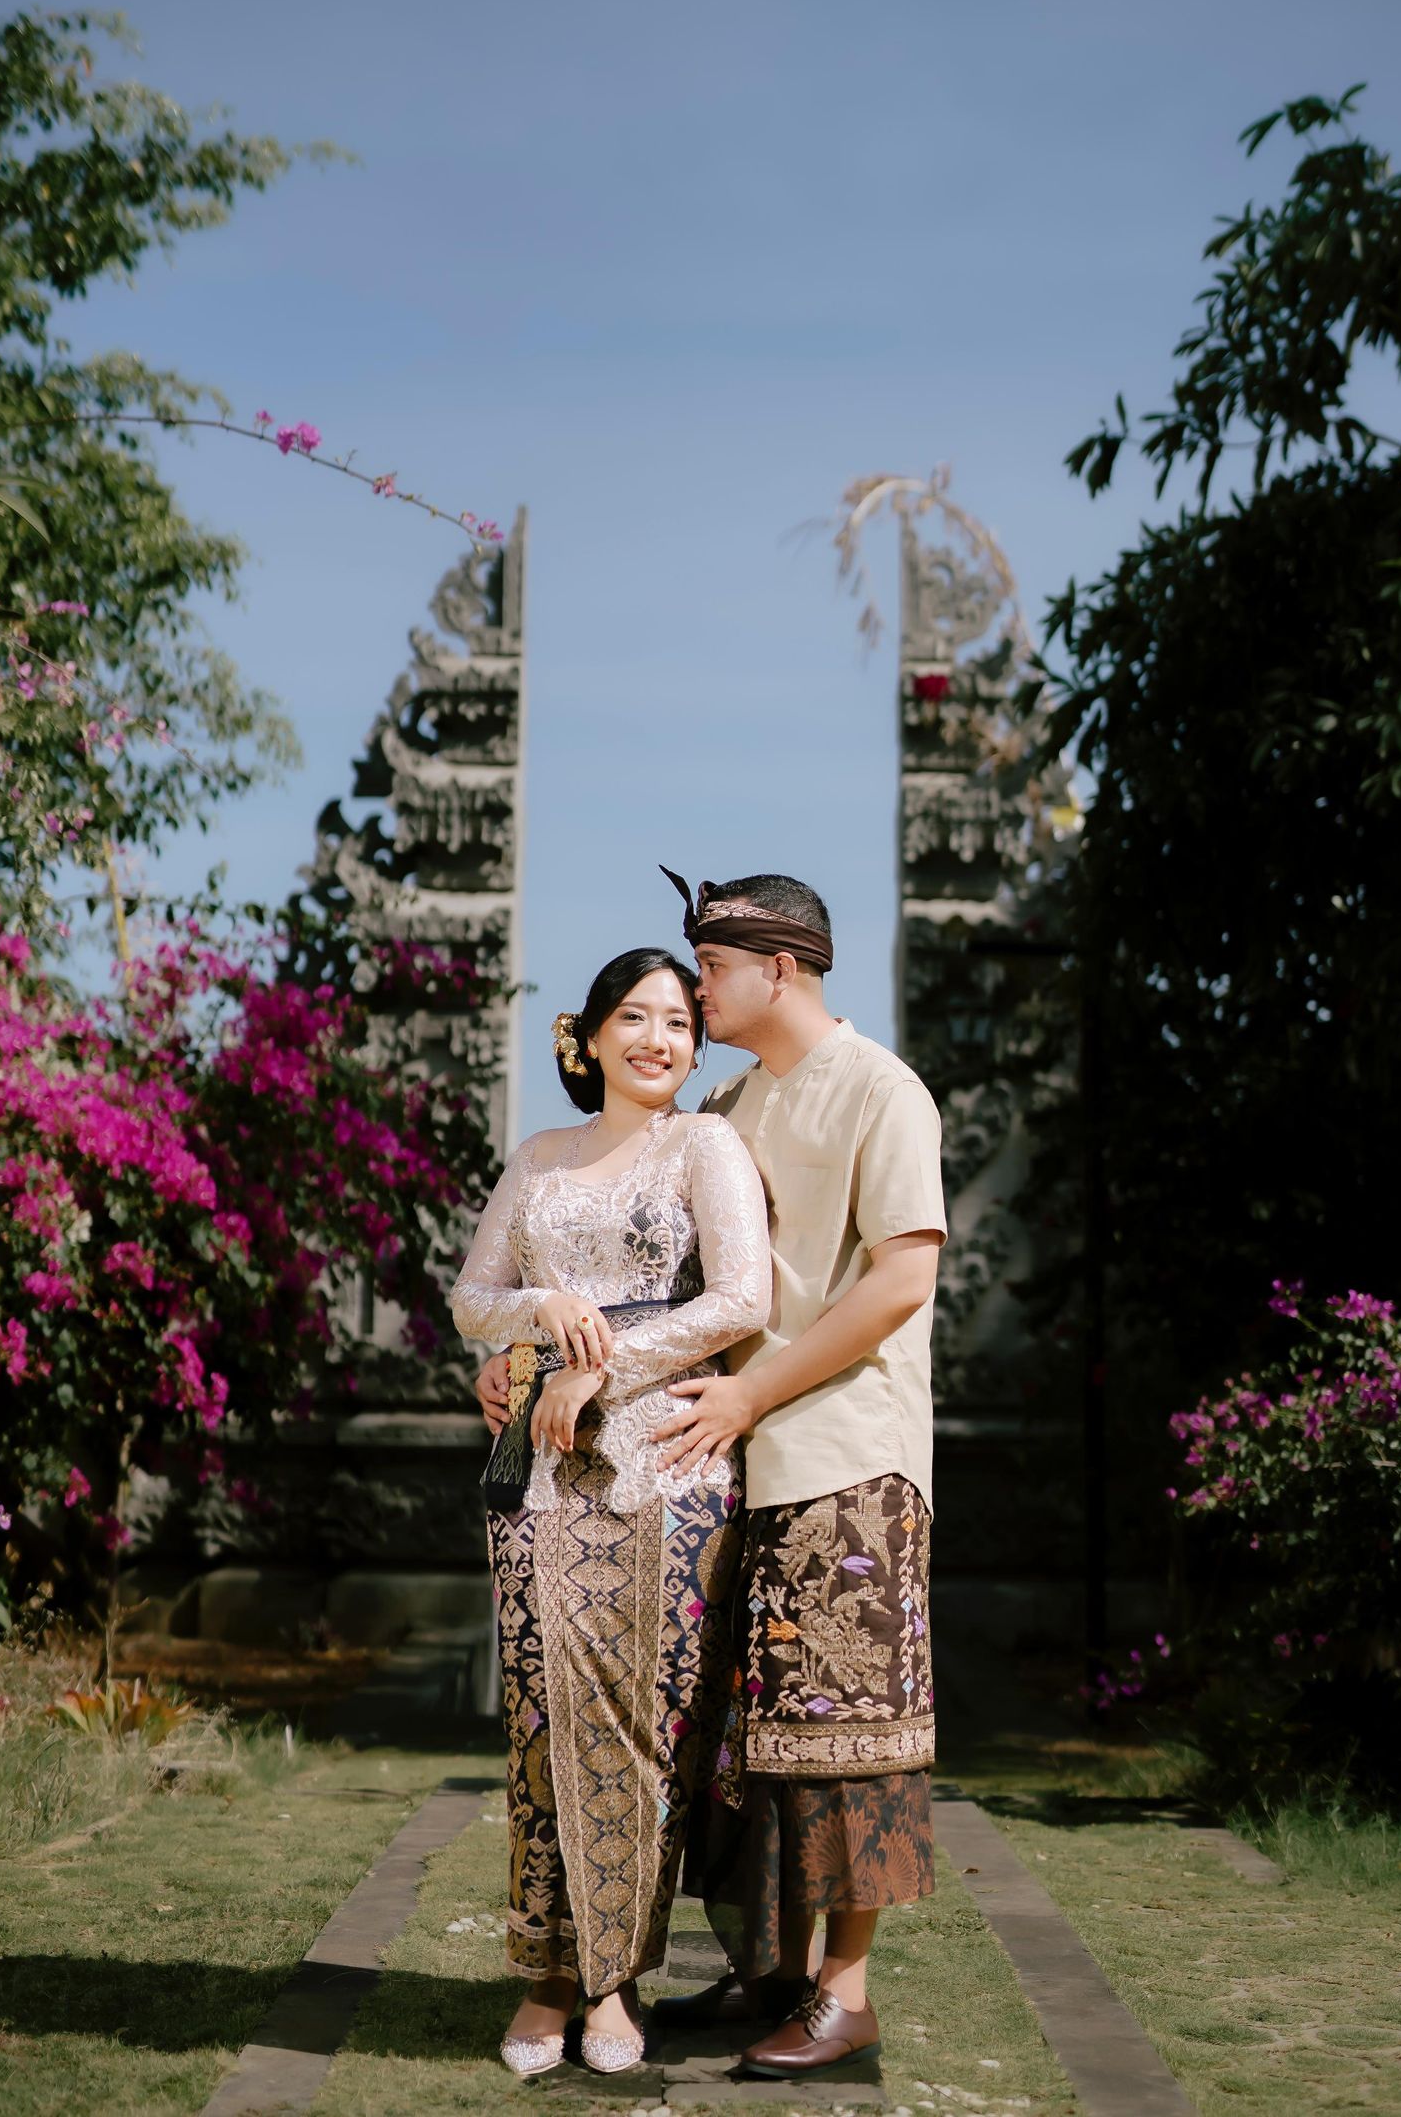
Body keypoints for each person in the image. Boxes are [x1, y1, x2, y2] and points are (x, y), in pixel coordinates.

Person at [453, 947, 771, 2078]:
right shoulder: (540, 1157)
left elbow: (741, 1298)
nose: (658, 1039)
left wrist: (601, 1371)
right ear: (587, 1038)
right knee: (541, 1728)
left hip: (669, 1471)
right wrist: (540, 1312)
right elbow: (472, 1298)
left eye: (679, 1022)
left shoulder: (705, 1146)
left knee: (645, 1734)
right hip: (540, 1476)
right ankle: (548, 1976)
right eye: (634, 1018)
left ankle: (617, 1980)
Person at [650, 869, 946, 2079]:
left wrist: (754, 1391)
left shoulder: (882, 1089)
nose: (696, 991)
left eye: (712, 969)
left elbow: (901, 1279)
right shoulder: (729, 1104)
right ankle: (770, 1969)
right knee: (750, 1743)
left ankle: (845, 1996)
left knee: (851, 1739)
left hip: (849, 1461)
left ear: (781, 968)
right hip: (740, 1462)